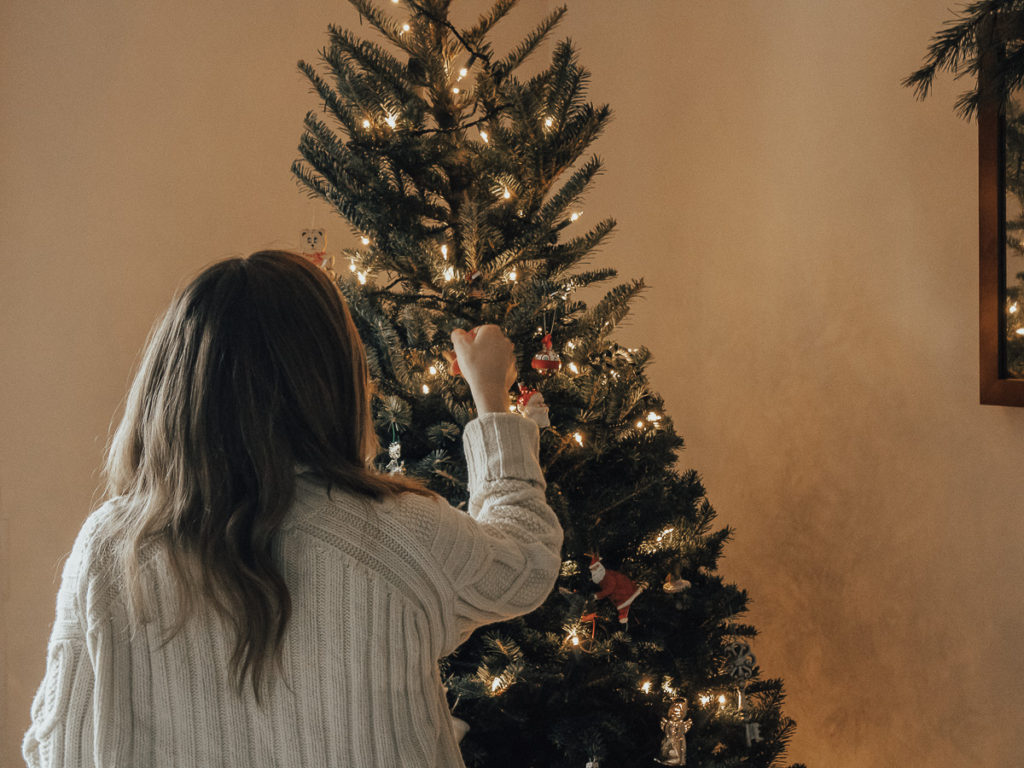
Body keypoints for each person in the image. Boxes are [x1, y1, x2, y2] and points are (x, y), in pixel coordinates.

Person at [23, 251, 563, 767]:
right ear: (332, 381)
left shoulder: (111, 550)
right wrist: (490, 397)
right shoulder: (400, 534)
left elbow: (58, 747)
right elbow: (525, 560)